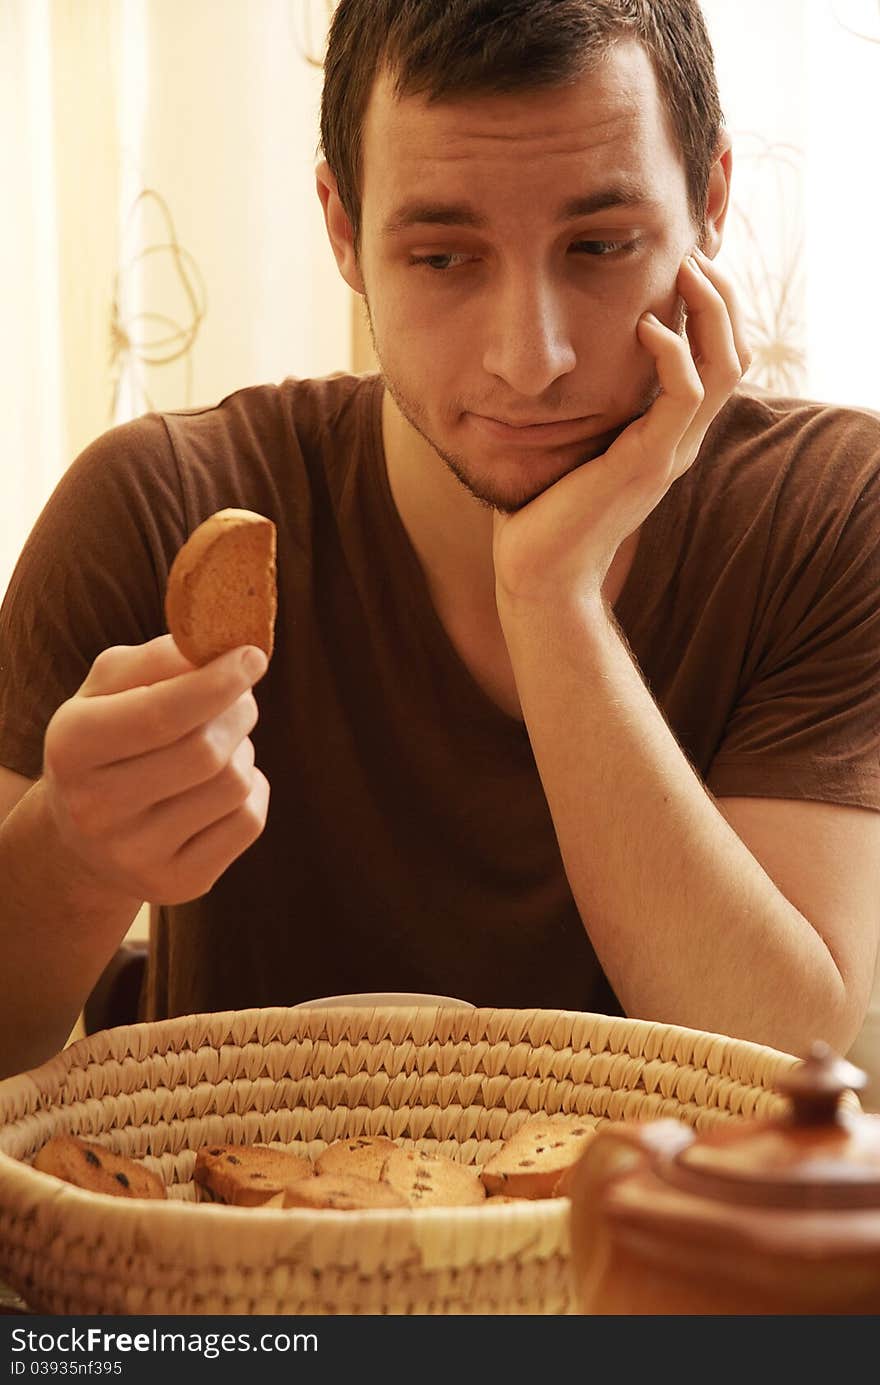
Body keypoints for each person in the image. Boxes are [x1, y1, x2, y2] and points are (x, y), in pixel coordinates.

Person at [1, 0, 878, 1082]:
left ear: (709, 205)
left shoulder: (831, 509)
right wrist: (76, 860)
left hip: (652, 1247)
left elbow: (774, 1054)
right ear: (342, 228)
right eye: (443, 257)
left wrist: (550, 594)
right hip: (234, 1241)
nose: (530, 357)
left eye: (599, 245)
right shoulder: (163, 502)